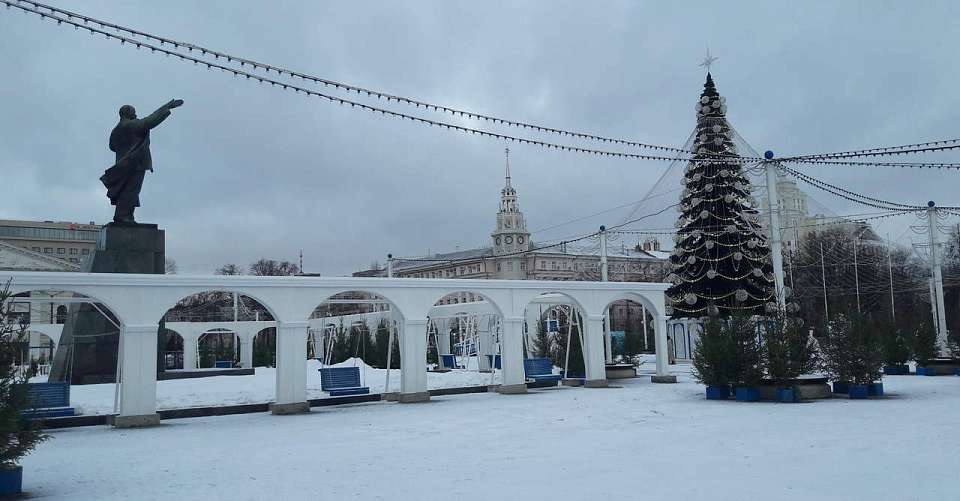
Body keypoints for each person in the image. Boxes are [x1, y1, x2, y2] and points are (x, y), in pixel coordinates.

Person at [101, 99, 184, 223]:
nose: (136, 115)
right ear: (128, 113)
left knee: (126, 190)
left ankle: (126, 216)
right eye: (134, 112)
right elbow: (151, 120)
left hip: (122, 164)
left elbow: (112, 146)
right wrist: (167, 107)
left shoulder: (115, 130)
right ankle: (123, 216)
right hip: (135, 163)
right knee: (131, 190)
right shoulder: (132, 125)